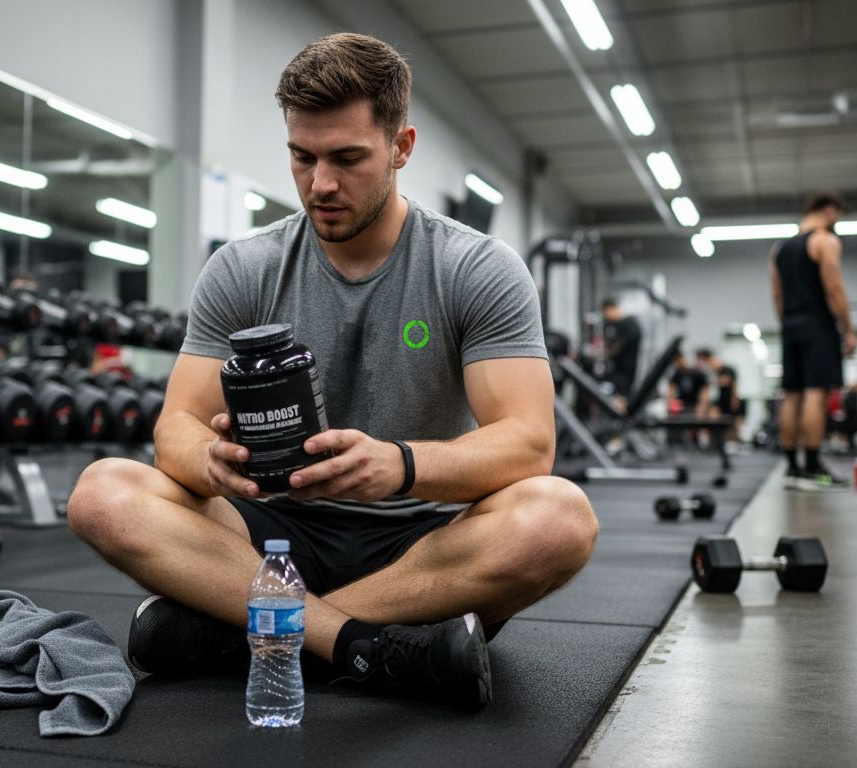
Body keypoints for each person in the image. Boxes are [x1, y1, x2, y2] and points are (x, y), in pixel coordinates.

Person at [66, 32, 597, 710]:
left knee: (559, 518)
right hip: (268, 534)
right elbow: (176, 427)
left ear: (401, 148)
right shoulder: (244, 267)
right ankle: (366, 647)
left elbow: (528, 443)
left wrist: (398, 466)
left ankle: (247, 632)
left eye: (348, 158)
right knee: (103, 493)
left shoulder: (474, 268)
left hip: (424, 543)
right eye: (302, 156)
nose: (321, 184)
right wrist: (213, 462)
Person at [770, 192, 856, 490]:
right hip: (817, 323)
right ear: (830, 210)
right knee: (815, 393)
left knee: (792, 394)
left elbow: (777, 295)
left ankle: (792, 467)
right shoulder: (824, 241)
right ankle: (812, 465)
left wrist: (788, 324)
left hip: (790, 324)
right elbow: (835, 290)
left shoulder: (779, 249)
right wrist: (848, 329)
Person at [696, 348, 743, 442]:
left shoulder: (727, 370)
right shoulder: (710, 374)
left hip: (728, 402)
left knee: (733, 424)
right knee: (711, 414)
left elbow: (732, 385)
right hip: (718, 403)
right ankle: (711, 440)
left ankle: (731, 441)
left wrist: (735, 400)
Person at [601, 298, 642, 400]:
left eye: (606, 313)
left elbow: (620, 346)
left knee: (622, 397)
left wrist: (616, 348)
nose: (606, 316)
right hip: (615, 371)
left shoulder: (630, 324)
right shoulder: (612, 325)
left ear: (611, 309)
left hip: (626, 371)